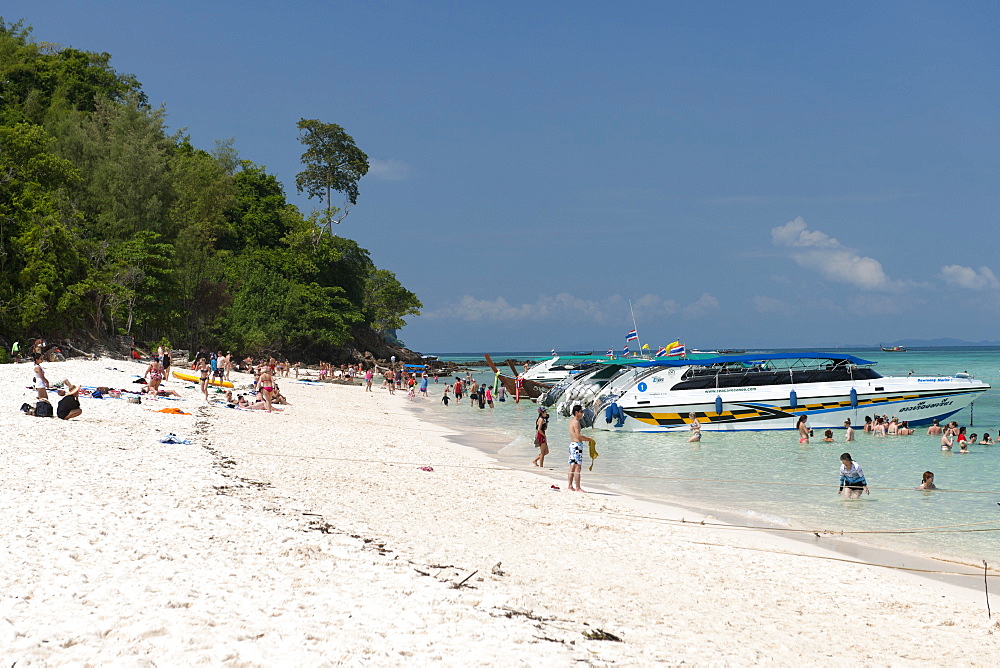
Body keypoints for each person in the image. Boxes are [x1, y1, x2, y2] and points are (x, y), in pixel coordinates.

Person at [567, 405, 591, 492]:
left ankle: (570, 486)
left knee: (572, 467)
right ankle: (577, 487)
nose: (582, 413)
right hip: (576, 445)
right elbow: (578, 436)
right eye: (581, 411)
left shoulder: (571, 421)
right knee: (577, 468)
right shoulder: (576, 422)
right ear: (576, 412)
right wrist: (588, 439)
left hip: (572, 444)